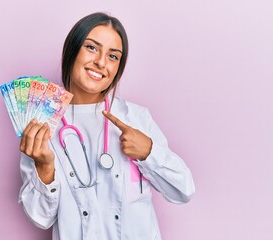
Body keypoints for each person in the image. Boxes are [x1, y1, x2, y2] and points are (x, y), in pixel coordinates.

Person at [18, 12, 195, 240]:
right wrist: (44, 167)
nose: (101, 62)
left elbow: (184, 191)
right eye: (91, 48)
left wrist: (149, 152)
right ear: (71, 51)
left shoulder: (136, 118)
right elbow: (40, 218)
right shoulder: (41, 126)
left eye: (113, 56)